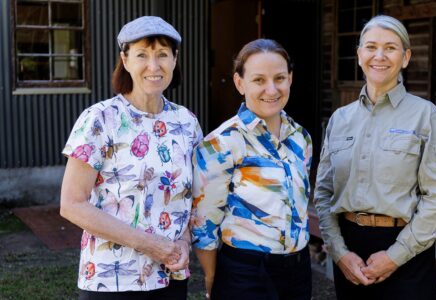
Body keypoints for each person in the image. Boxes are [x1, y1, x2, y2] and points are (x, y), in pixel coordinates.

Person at [60, 16, 202, 299]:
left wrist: (185, 243)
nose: (154, 66)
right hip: (112, 281)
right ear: (125, 60)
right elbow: (72, 205)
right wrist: (150, 244)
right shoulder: (100, 119)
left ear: (175, 60)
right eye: (142, 55)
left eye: (163, 54)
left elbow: (190, 199)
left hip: (170, 277)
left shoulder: (186, 122)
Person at [314, 15, 436, 300]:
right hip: (350, 252)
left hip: (407, 252)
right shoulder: (340, 119)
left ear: (405, 57)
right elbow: (324, 193)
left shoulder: (425, 116)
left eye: (390, 48)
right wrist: (339, 253)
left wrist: (395, 256)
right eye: (371, 47)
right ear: (359, 55)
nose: (379, 56)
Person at [191, 39, 313, 300]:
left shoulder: (302, 138)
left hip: (299, 270)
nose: (272, 89)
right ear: (239, 83)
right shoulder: (221, 143)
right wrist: (213, 277)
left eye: (280, 78)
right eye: (259, 80)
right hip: (245, 274)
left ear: (290, 79)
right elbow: (204, 223)